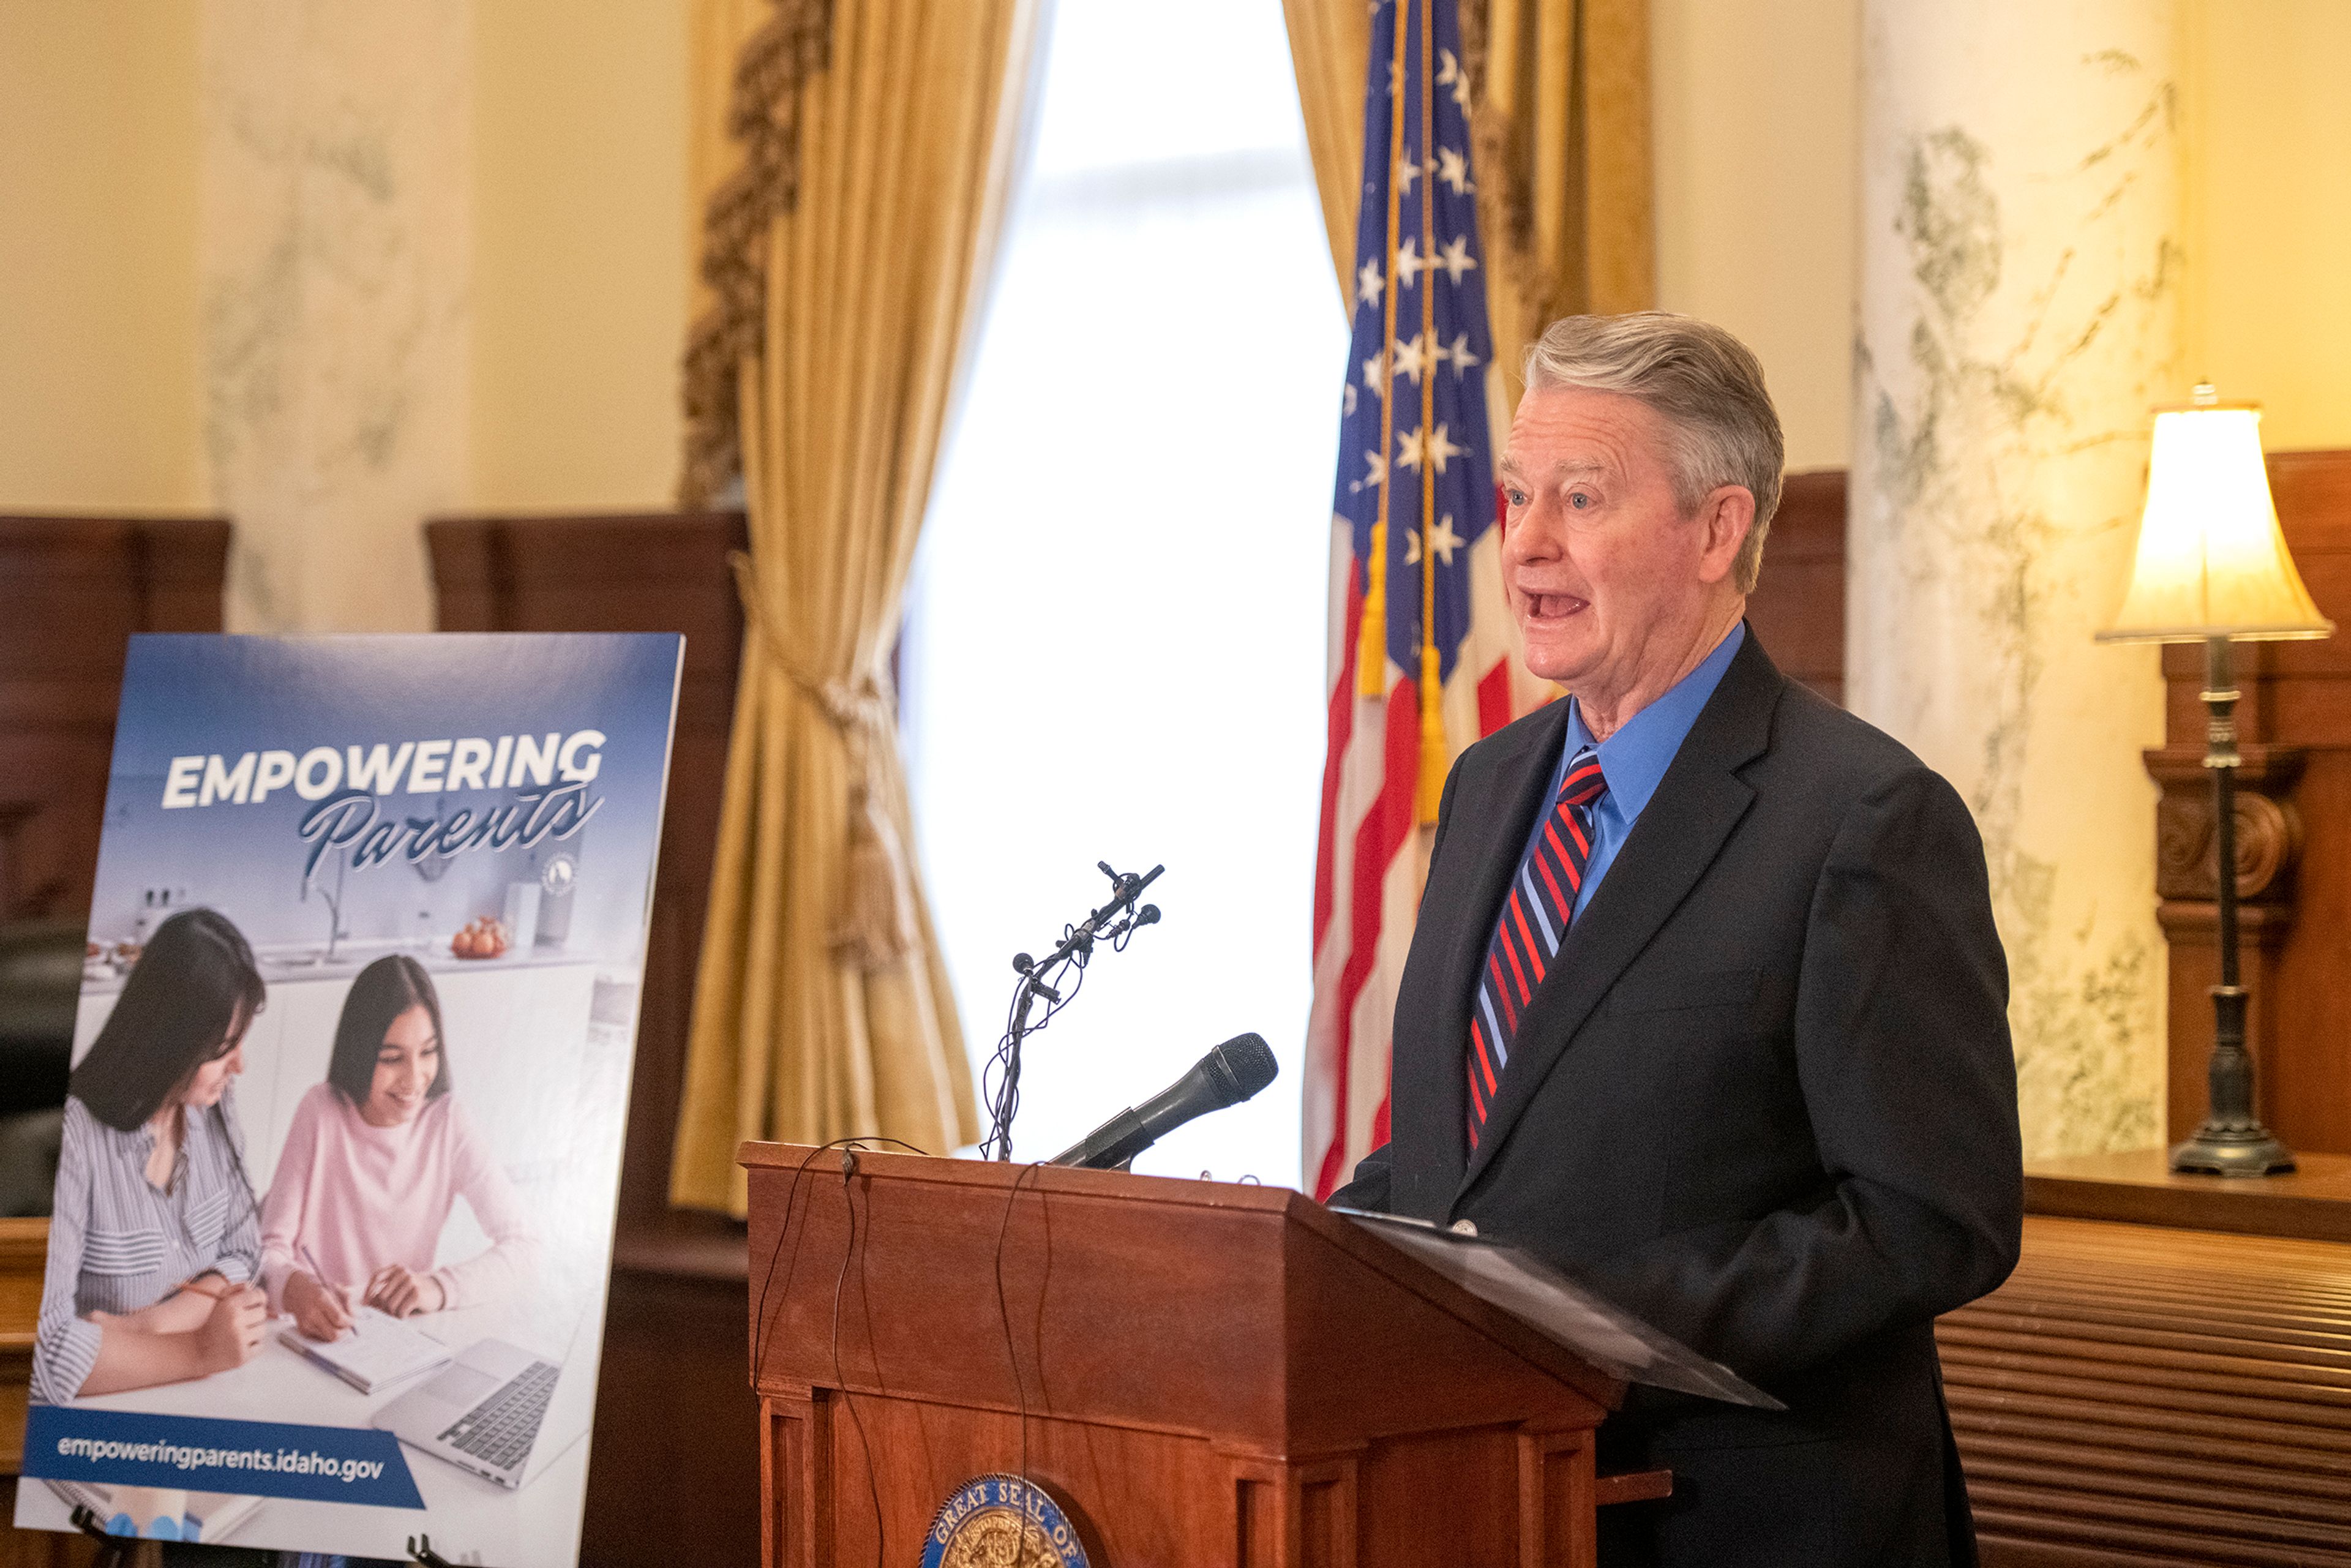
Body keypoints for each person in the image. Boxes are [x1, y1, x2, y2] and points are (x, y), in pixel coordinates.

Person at [1329, 312, 2023, 1566]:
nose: (1528, 541)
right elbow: (1463, 1157)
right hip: (1482, 1502)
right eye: (1520, 494)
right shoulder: (1489, 783)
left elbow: (1934, 1215)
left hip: (1743, 1523)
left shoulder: (1865, 817)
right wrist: (1316, 1259)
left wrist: (1587, 1321)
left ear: (1719, 529)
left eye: (1582, 497)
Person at [31, 908, 270, 1403]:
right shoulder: (71, 1137)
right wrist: (200, 1350)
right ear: (171, 1041)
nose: (240, 1065)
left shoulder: (214, 1106)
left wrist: (148, 1325)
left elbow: (244, 1251)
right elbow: (45, 1353)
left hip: (196, 1395)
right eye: (224, 1047)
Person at [261, 955, 538, 1340]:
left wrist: (438, 1287)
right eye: (391, 1058)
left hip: (395, 1341)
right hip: (312, 1337)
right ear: (360, 1054)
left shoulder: (448, 1121)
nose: (414, 1080)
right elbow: (268, 1250)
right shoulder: (321, 1110)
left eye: (427, 1052)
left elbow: (526, 1245)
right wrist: (296, 1288)